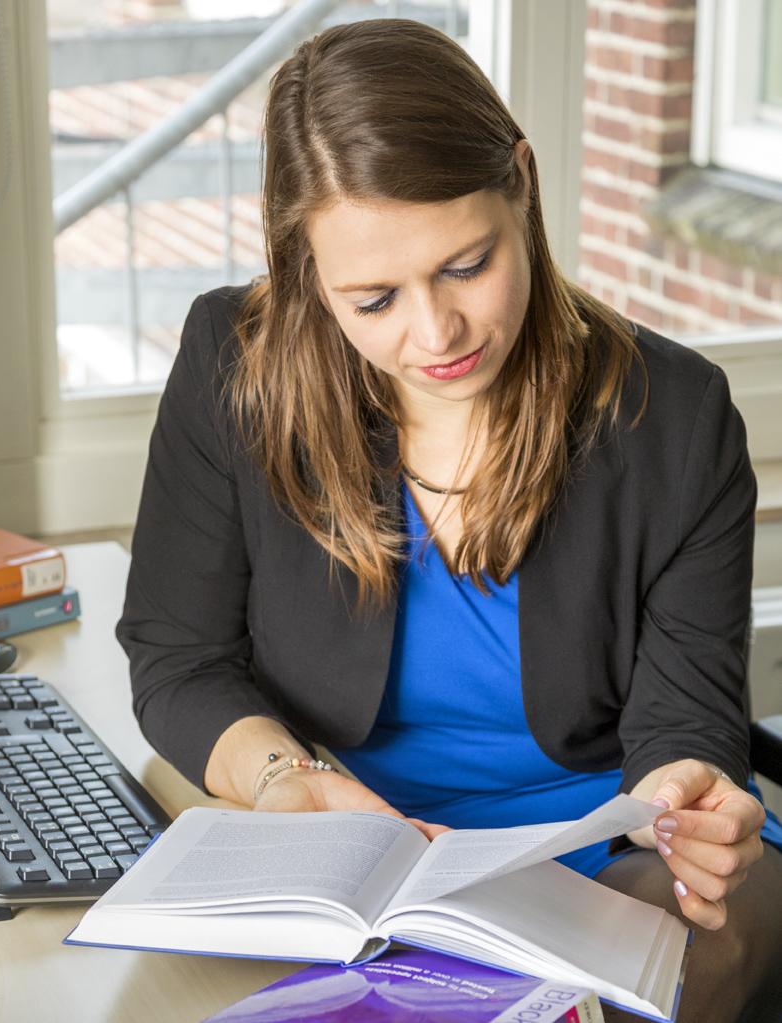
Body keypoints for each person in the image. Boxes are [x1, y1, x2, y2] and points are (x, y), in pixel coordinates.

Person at [116, 19, 782, 1022]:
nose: (436, 335)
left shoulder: (673, 418)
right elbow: (177, 657)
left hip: (603, 848)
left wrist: (684, 794)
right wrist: (282, 781)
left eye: (466, 265)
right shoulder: (232, 365)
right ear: (306, 271)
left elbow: (684, 715)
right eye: (373, 298)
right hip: (343, 849)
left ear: (522, 183)